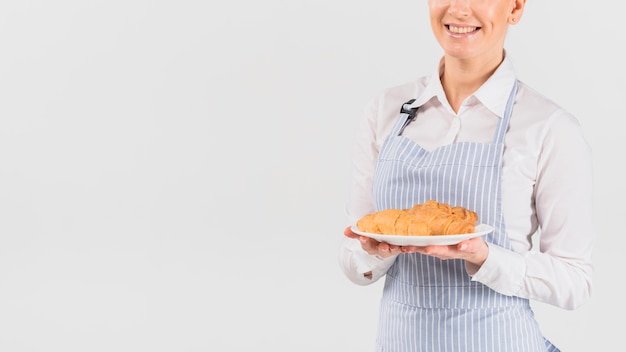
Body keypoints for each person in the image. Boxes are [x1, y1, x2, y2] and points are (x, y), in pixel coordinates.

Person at [338, 0, 594, 351]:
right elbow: (354, 261)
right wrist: (374, 251)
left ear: (516, 8)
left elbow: (575, 282)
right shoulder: (385, 110)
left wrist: (485, 257)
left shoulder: (548, 127)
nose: (458, 9)